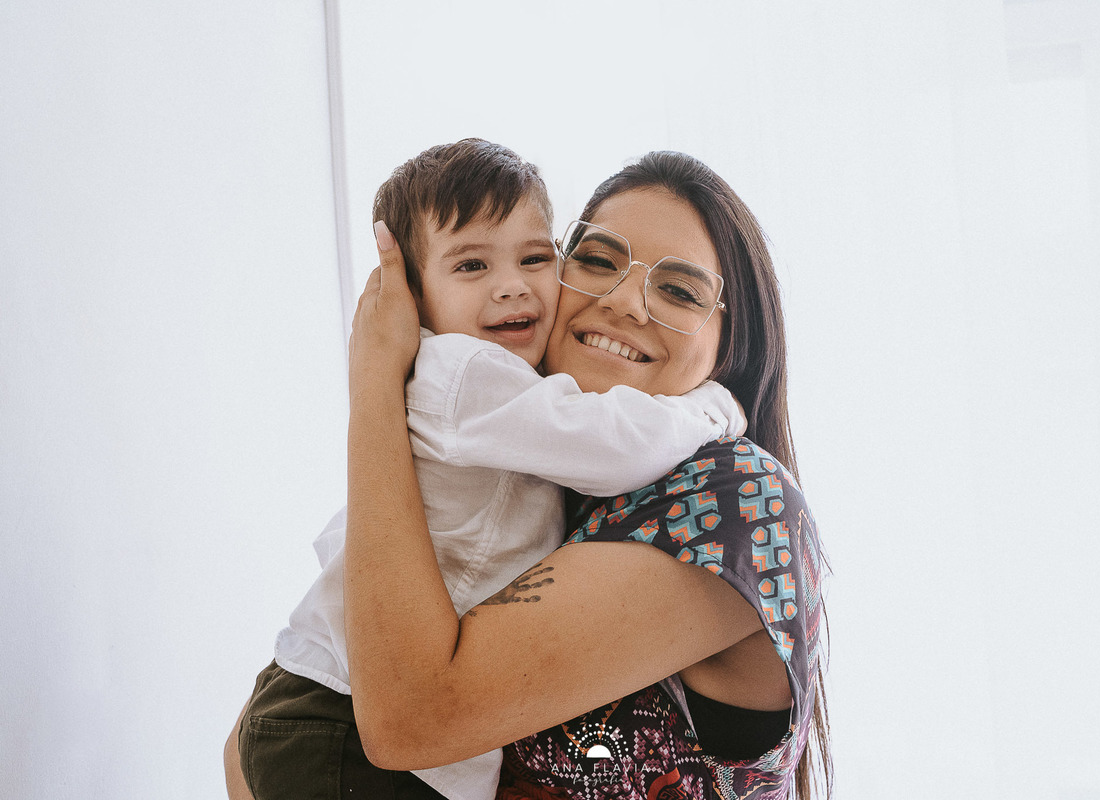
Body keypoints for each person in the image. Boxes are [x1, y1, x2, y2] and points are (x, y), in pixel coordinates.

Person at [227, 140, 746, 800]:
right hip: (340, 721)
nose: (512, 284)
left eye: (535, 258)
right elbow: (617, 446)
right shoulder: (464, 375)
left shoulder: (502, 399)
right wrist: (711, 410)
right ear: (410, 295)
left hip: (353, 724)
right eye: (471, 264)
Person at [341, 151, 831, 800]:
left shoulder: (735, 501)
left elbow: (409, 718)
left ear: (730, 343)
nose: (625, 301)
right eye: (597, 261)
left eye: (679, 290)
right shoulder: (536, 492)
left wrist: (377, 381)